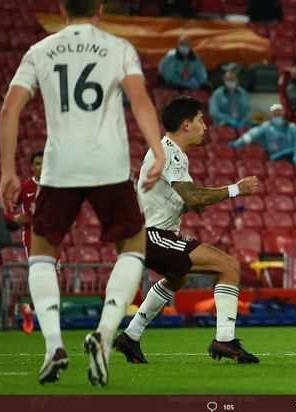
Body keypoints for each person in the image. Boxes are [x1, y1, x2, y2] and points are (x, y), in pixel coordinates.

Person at [0, 0, 165, 386]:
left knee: (42, 252)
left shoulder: (39, 51)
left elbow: (9, 111)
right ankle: (104, 337)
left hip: (60, 167)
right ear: (101, 8)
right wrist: (157, 150)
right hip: (109, 164)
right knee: (133, 246)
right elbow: (139, 100)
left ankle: (53, 344)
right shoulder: (118, 47)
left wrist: (7, 170)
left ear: (61, 7)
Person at [113, 96, 260, 364]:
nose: (205, 126)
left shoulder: (168, 152)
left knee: (178, 278)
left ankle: (130, 337)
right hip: (152, 236)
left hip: (151, 234)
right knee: (228, 266)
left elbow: (186, 199)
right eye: (201, 120)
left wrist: (198, 201)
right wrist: (237, 189)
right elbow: (193, 197)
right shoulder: (168, 153)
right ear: (186, 124)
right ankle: (224, 341)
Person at [231, 103, 296, 164]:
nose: (277, 116)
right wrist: (239, 141)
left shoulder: (292, 127)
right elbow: (252, 135)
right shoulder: (266, 127)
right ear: (271, 115)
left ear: (283, 114)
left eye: (279, 113)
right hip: (277, 158)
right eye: (275, 114)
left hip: (293, 154)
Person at [3, 151, 43, 255]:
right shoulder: (24, 187)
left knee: (53, 271)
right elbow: (7, 211)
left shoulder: (56, 188)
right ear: (32, 167)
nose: (42, 167)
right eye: (38, 164)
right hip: (31, 238)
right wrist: (15, 217)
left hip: (53, 238)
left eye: (45, 163)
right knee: (36, 270)